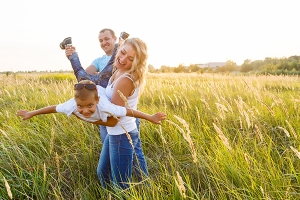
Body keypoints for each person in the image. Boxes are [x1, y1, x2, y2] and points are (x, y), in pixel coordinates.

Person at [65, 30, 150, 181]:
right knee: (105, 172)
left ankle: (144, 184)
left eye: (107, 39)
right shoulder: (111, 65)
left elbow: (115, 118)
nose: (104, 42)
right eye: (101, 40)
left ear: (116, 41)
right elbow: (84, 75)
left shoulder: (124, 74)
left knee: (132, 159)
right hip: (111, 122)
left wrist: (82, 116)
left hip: (121, 126)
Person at [17, 80, 166, 126]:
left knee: (106, 122)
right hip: (91, 91)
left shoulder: (105, 106)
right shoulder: (70, 105)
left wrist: (150, 117)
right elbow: (53, 108)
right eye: (80, 106)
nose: (85, 110)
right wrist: (32, 113)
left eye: (89, 105)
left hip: (99, 89)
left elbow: (128, 111)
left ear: (97, 102)